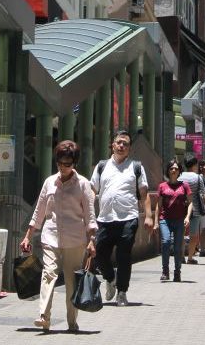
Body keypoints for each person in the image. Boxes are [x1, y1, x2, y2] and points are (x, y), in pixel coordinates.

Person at [21, 140, 96, 332]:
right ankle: (44, 316)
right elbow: (39, 212)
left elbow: (90, 216)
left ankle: (72, 321)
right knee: (48, 274)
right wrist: (28, 236)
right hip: (50, 236)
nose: (63, 167)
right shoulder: (49, 182)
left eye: (68, 164)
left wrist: (92, 241)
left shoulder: (83, 185)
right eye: (60, 163)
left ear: (75, 163)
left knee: (72, 281)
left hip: (75, 240)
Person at [91, 130, 152, 306]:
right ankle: (110, 278)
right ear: (112, 144)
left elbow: (144, 193)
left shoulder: (136, 167)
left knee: (124, 256)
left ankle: (122, 292)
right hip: (105, 219)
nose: (121, 146)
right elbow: (91, 190)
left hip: (128, 218)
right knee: (100, 254)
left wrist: (148, 216)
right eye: (119, 142)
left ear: (129, 148)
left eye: (125, 143)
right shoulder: (102, 166)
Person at [153, 159, 191, 282]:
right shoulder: (162, 186)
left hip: (179, 220)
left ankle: (177, 272)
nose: (173, 170)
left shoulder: (184, 185)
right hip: (165, 219)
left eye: (176, 168)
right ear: (168, 171)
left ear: (179, 170)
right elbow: (158, 205)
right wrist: (155, 222)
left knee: (178, 247)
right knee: (166, 242)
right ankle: (165, 270)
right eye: (171, 168)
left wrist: (187, 217)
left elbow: (191, 203)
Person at [179, 155, 205, 264]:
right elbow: (202, 193)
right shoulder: (197, 177)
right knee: (194, 235)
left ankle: (181, 256)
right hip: (195, 209)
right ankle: (190, 257)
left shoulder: (179, 176)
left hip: (182, 208)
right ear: (195, 165)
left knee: (181, 234)